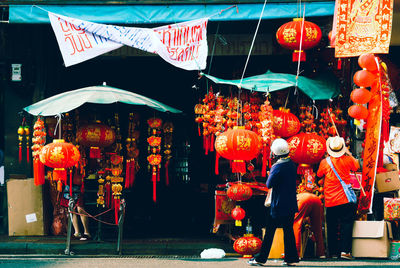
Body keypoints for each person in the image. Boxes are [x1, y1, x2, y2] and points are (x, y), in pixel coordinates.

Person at [248, 138, 299, 266]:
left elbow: (269, 183)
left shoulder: (277, 166)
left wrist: (270, 173)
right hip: (290, 203)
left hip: (278, 204)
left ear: (275, 153)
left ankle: (260, 258)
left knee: (270, 232)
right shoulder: (292, 165)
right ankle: (291, 258)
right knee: (288, 231)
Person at [317, 136, 360, 260]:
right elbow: (356, 166)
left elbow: (319, 174)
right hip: (345, 199)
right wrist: (348, 153)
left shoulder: (325, 162)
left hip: (331, 199)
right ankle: (345, 251)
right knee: (346, 225)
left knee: (332, 226)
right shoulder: (348, 160)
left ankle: (333, 252)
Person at [293, 192, 325, 258]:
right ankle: (321, 253)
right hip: (316, 199)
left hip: (303, 200)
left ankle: (295, 253)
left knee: (296, 225)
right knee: (317, 227)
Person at [62, 171, 91, 241]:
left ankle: (86, 232)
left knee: (80, 209)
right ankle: (77, 231)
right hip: (68, 187)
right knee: (71, 209)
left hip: (79, 186)